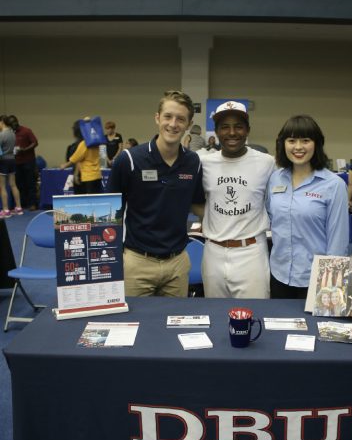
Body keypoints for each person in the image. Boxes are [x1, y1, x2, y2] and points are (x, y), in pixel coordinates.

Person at [107, 90, 205, 297]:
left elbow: (199, 206)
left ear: (188, 124)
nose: (173, 124)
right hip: (136, 262)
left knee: (173, 327)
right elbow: (109, 211)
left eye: (180, 119)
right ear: (157, 117)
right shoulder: (130, 160)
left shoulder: (193, 162)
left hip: (177, 263)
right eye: (168, 116)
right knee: (133, 327)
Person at [196, 101, 275, 298]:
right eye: (225, 127)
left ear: (248, 130)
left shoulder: (267, 162)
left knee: (254, 316)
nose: (232, 133)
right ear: (216, 131)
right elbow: (192, 199)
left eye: (238, 126)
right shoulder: (203, 162)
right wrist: (208, 218)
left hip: (251, 252)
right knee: (215, 317)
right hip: (213, 251)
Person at [267, 115, 349, 299]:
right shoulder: (275, 179)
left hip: (316, 279)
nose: (298, 147)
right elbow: (272, 218)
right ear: (283, 144)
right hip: (279, 274)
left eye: (305, 140)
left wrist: (331, 286)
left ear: (317, 144)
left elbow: (338, 241)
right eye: (291, 140)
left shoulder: (333, 185)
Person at [60, 119, 102, 194]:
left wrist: (65, 165)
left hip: (88, 176)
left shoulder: (84, 144)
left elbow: (76, 158)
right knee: (96, 200)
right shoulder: (96, 143)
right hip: (97, 175)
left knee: (86, 201)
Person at [8, 115, 39, 211]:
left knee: (30, 183)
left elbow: (35, 143)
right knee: (19, 184)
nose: (13, 124)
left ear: (17, 121)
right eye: (10, 123)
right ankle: (22, 204)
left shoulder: (26, 131)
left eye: (14, 122)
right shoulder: (9, 133)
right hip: (16, 162)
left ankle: (33, 204)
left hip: (28, 161)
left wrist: (24, 150)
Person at [0, 115, 23, 217]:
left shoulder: (1, 134)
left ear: (2, 122)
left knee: (2, 186)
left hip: (3, 161)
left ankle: (6, 211)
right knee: (13, 184)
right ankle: (19, 208)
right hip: (12, 160)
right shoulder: (12, 134)